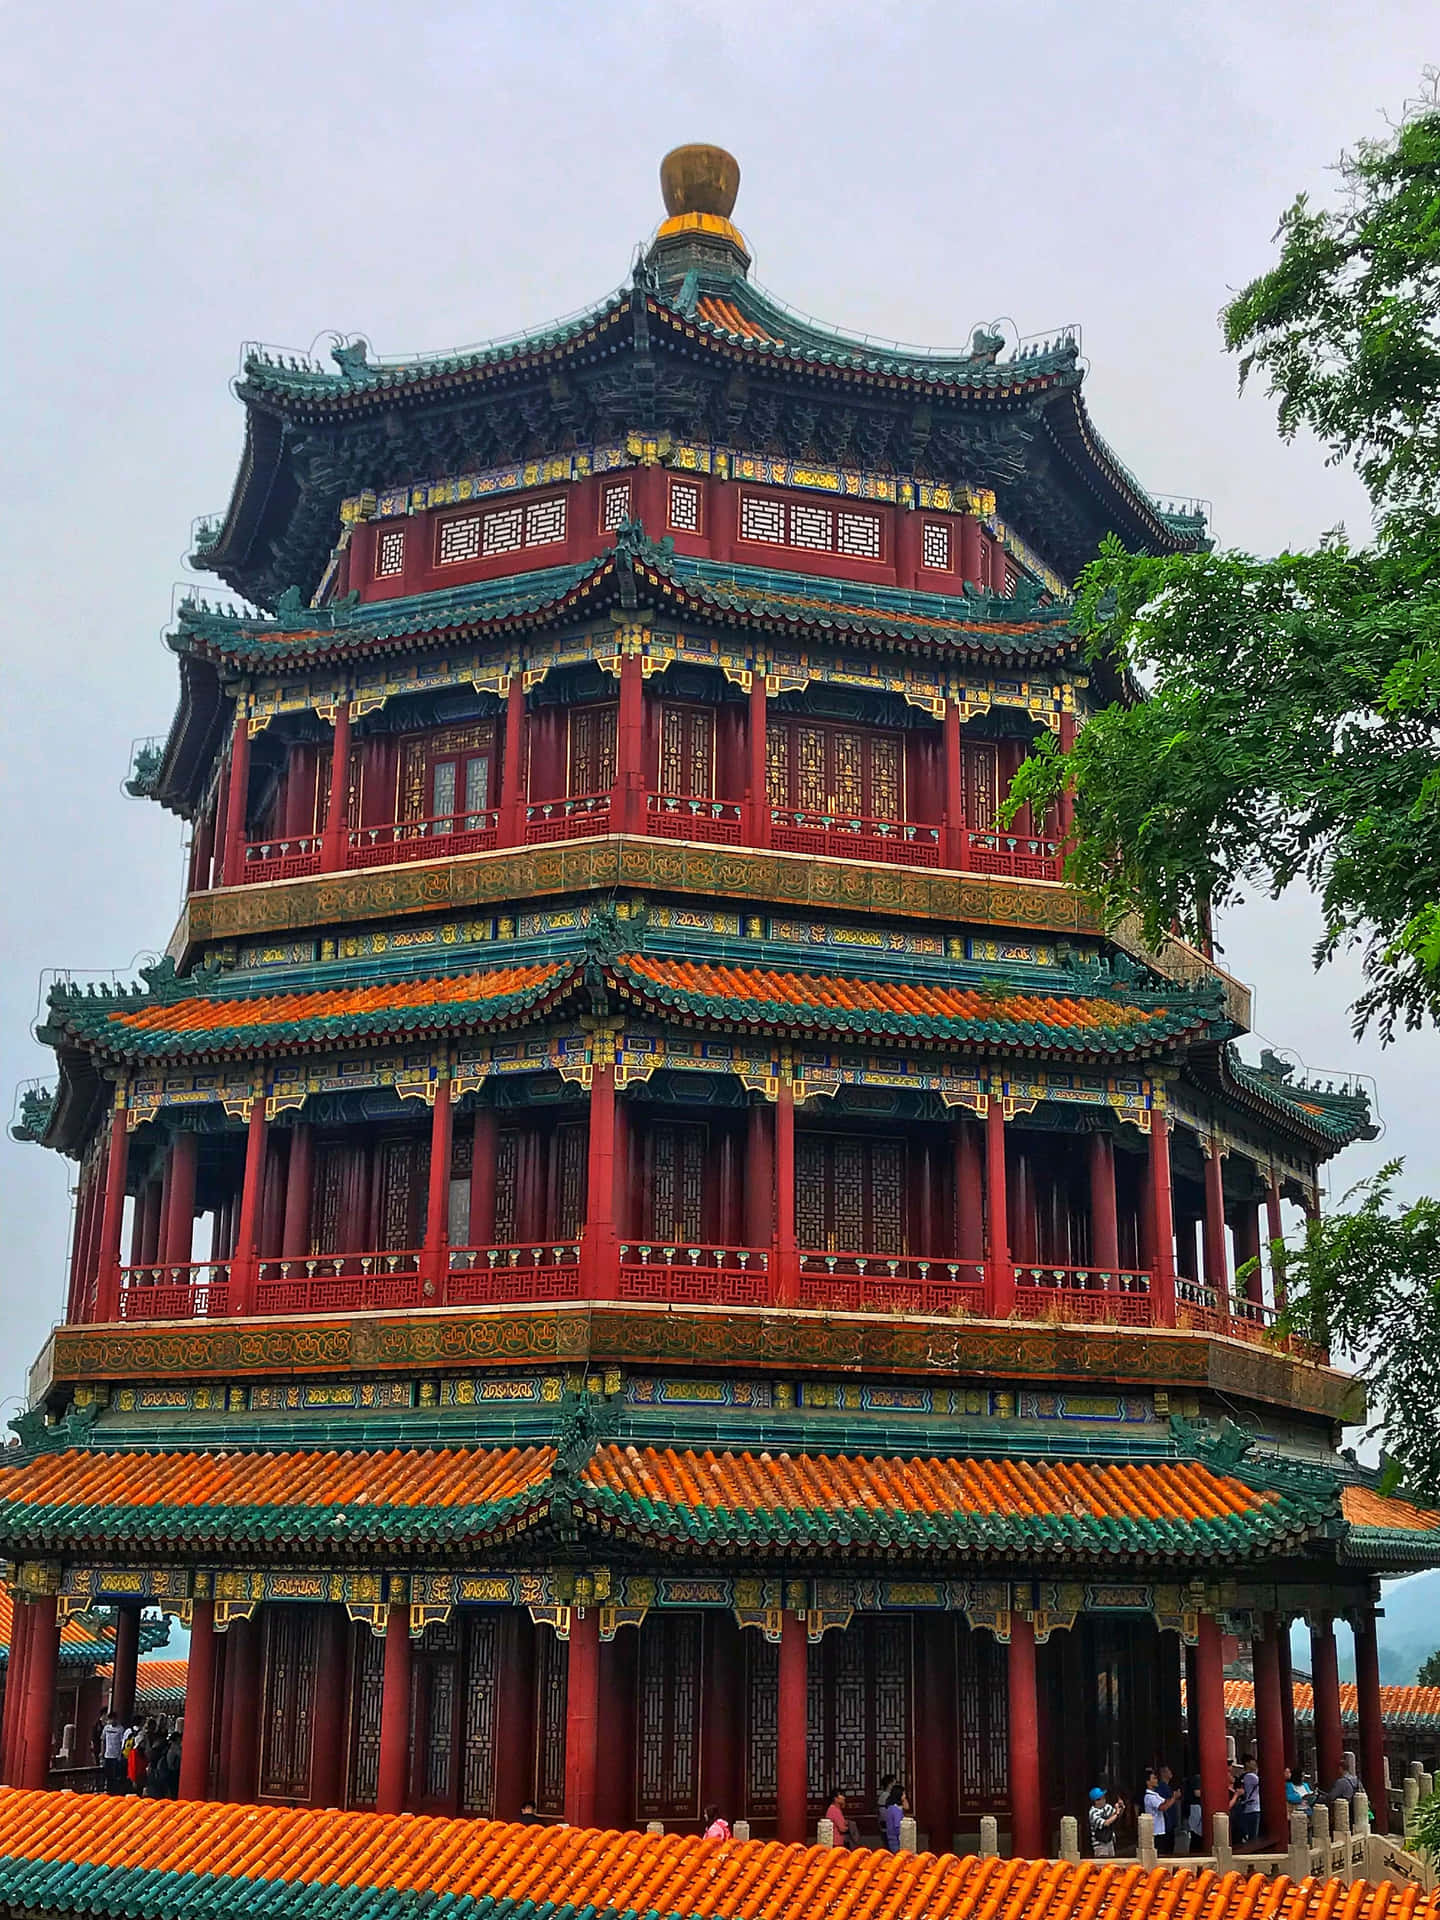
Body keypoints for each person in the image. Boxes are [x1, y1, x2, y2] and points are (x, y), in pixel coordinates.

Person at [1234, 1754, 1260, 1845]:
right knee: (1253, 1836)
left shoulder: (1242, 1777)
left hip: (1246, 1807)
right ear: (1247, 1763)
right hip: (1253, 1808)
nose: (1255, 1764)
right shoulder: (1251, 1777)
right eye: (1253, 1762)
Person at [1155, 1766, 1181, 1853]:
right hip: (1165, 1822)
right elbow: (1163, 1805)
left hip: (1170, 1822)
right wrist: (1174, 1797)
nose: (1170, 1772)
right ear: (1163, 1773)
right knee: (1166, 1848)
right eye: (1168, 1771)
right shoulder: (1161, 1787)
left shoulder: (1167, 1787)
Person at [1088, 1787, 1120, 1858]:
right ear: (1096, 1801)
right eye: (1101, 1798)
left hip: (1110, 1841)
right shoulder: (1093, 1812)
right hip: (1100, 1844)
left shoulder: (1107, 1807)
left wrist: (1120, 1808)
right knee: (1102, 1862)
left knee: (1112, 1862)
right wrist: (1117, 1814)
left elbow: (1115, 1816)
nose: (1104, 1800)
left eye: (1104, 1797)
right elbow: (1105, 1823)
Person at [100, 1714, 126, 1794]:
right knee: (108, 1774)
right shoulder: (106, 1728)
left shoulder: (120, 1729)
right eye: (110, 1719)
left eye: (113, 1719)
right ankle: (107, 1789)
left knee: (115, 1775)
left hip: (116, 1755)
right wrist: (102, 1752)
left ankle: (114, 1791)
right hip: (107, 1754)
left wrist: (120, 1754)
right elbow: (103, 1740)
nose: (112, 1721)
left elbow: (122, 1742)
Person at [884, 1784, 908, 1852]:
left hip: (890, 1838)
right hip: (896, 1841)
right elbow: (898, 1827)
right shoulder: (896, 1810)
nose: (905, 1796)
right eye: (903, 1794)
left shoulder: (890, 1808)